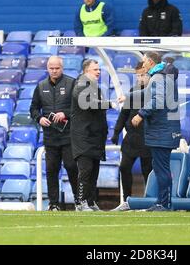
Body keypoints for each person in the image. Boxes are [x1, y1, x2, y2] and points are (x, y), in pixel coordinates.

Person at [120, 51, 181, 211]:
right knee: (161, 167)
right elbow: (148, 93)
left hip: (161, 130)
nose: (143, 64)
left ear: (150, 61)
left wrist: (141, 114)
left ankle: (164, 203)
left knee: (161, 168)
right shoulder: (160, 77)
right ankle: (164, 202)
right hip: (164, 130)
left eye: (144, 61)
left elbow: (158, 100)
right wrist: (128, 96)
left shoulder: (158, 77)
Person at [30, 56, 79, 211]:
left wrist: (65, 113)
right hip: (50, 136)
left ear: (62, 68)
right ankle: (53, 204)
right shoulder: (40, 86)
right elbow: (33, 109)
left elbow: (78, 107)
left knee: (72, 167)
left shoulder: (72, 83)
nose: (54, 71)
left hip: (68, 135)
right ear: (47, 68)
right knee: (51, 170)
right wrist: (40, 119)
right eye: (51, 68)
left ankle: (79, 201)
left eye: (57, 68)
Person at [111, 62, 152, 211]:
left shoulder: (154, 93)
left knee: (147, 171)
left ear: (149, 75)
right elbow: (124, 114)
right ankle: (127, 200)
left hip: (148, 138)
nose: (139, 78)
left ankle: (150, 201)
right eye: (137, 75)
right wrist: (116, 132)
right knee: (124, 167)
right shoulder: (133, 91)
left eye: (142, 75)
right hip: (132, 138)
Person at [70, 59, 111, 212]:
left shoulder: (95, 88)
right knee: (85, 170)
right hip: (83, 136)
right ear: (86, 71)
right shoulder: (80, 86)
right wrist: (110, 103)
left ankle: (90, 201)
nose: (98, 72)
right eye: (95, 69)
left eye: (99, 69)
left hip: (95, 137)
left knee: (94, 171)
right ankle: (80, 203)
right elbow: (89, 104)